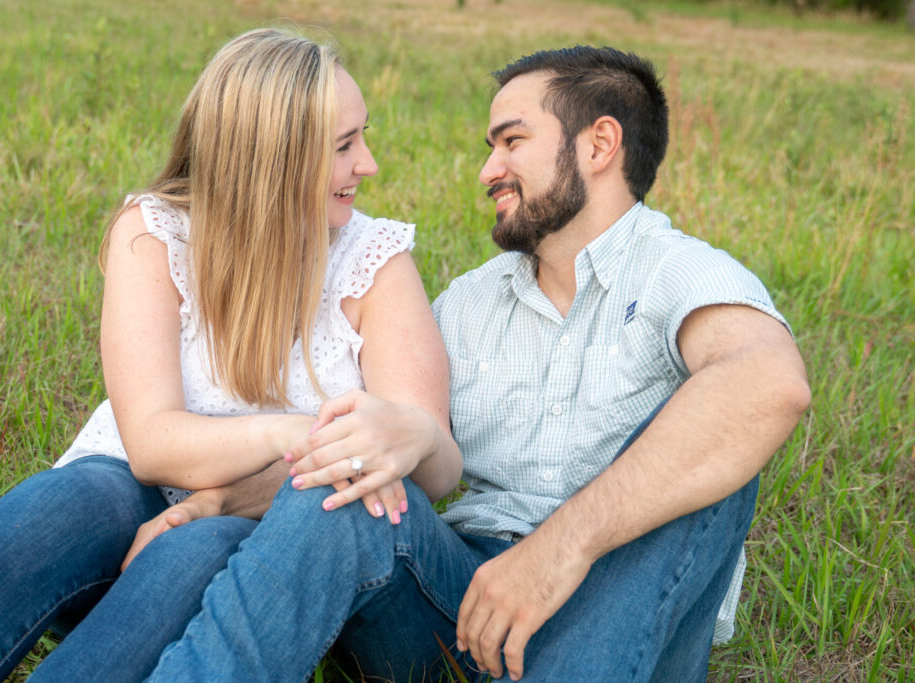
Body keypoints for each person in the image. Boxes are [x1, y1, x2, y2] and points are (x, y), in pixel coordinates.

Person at [144, 45, 811, 682]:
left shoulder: (679, 272)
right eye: (490, 147)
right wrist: (225, 500)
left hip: (614, 603)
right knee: (351, 492)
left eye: (512, 141)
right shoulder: (467, 303)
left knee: (713, 437)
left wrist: (558, 550)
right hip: (465, 602)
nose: (488, 170)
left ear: (599, 145)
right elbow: (378, 446)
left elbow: (769, 383)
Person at [0, 28, 461, 682]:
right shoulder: (154, 232)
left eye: (362, 136)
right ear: (271, 158)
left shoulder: (376, 263)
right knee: (60, 505)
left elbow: (426, 460)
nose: (369, 163)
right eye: (343, 146)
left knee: (191, 550)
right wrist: (294, 431)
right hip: (128, 490)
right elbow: (153, 442)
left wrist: (223, 494)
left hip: (267, 520)